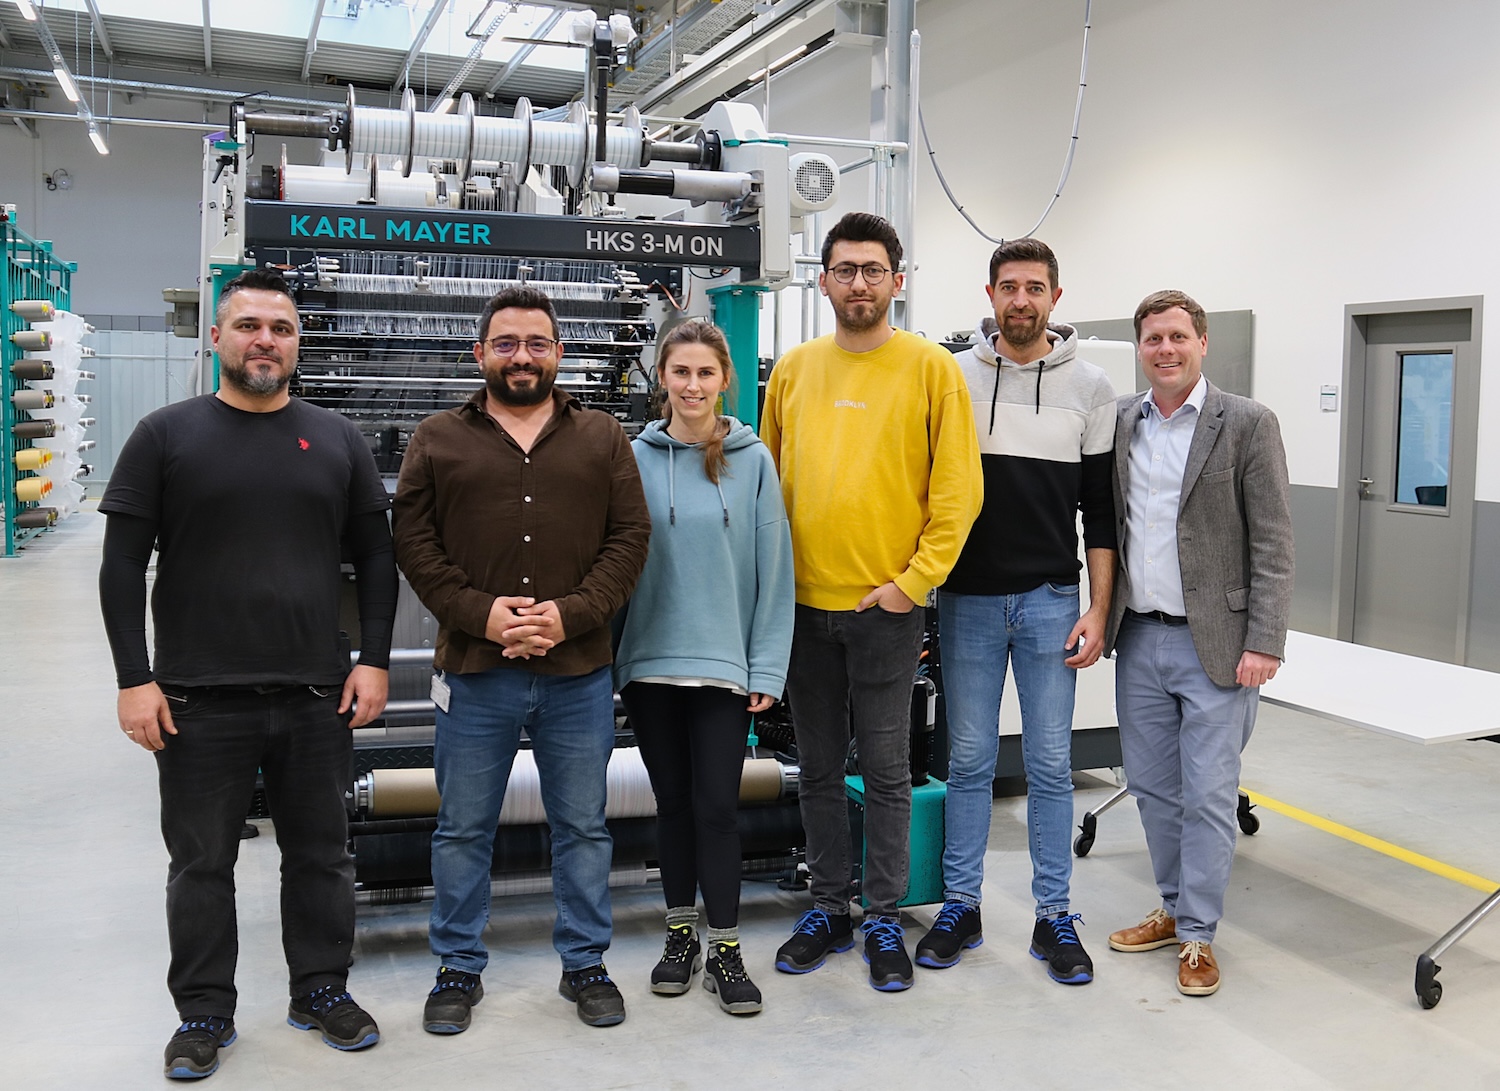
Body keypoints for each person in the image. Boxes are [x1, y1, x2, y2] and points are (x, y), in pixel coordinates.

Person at [99, 269, 397, 1080]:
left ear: (298, 344)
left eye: (282, 328)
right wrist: (135, 676)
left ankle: (321, 988)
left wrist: (372, 658)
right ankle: (203, 1011)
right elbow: (122, 563)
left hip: (313, 694)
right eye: (250, 325)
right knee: (201, 864)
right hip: (197, 698)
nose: (266, 339)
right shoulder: (166, 434)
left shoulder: (336, 438)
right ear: (218, 337)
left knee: (322, 855)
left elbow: (376, 555)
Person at [393, 284, 650, 1032]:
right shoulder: (437, 437)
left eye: (537, 343)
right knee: (463, 827)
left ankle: (585, 962)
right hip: (477, 672)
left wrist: (567, 616)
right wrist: (484, 614)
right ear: (480, 354)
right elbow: (414, 542)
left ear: (559, 354)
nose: (522, 356)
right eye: (505, 343)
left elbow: (628, 540)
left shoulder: (603, 437)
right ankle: (457, 966)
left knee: (583, 825)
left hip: (577, 673)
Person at [761, 211, 983, 992]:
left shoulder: (931, 370)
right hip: (800, 611)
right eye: (844, 269)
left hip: (886, 612)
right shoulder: (791, 371)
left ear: (897, 278)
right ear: (823, 279)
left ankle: (883, 914)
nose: (859, 282)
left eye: (872, 269)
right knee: (817, 768)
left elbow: (958, 493)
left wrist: (910, 587)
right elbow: (769, 489)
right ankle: (829, 906)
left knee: (888, 770)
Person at [916, 239, 1117, 984]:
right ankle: (960, 907)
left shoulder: (1091, 387)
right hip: (966, 599)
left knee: (1051, 765)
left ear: (1055, 299)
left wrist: (1098, 606)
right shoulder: (952, 376)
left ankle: (1054, 914)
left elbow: (1099, 510)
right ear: (991, 294)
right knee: (967, 762)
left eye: (1035, 287)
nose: (1022, 300)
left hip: (1050, 601)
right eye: (1010, 286)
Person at [1102, 290, 1293, 997]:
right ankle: (1174, 906)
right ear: (1140, 347)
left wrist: (1265, 638)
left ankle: (1199, 937)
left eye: (1178, 336)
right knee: (1151, 787)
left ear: (1202, 343)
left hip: (1218, 643)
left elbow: (1273, 538)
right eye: (1153, 338)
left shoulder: (1246, 423)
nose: (1166, 350)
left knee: (1210, 795)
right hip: (1140, 637)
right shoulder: (1124, 421)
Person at [614, 320, 795, 1016]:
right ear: (662, 376)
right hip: (651, 662)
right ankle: (679, 937)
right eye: (680, 372)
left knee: (717, 807)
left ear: (726, 380)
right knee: (673, 807)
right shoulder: (632, 457)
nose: (692, 386)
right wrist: (610, 660)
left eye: (705, 374)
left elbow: (774, 572)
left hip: (724, 664)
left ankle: (725, 947)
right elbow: (614, 565)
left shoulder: (753, 461)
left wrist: (766, 667)